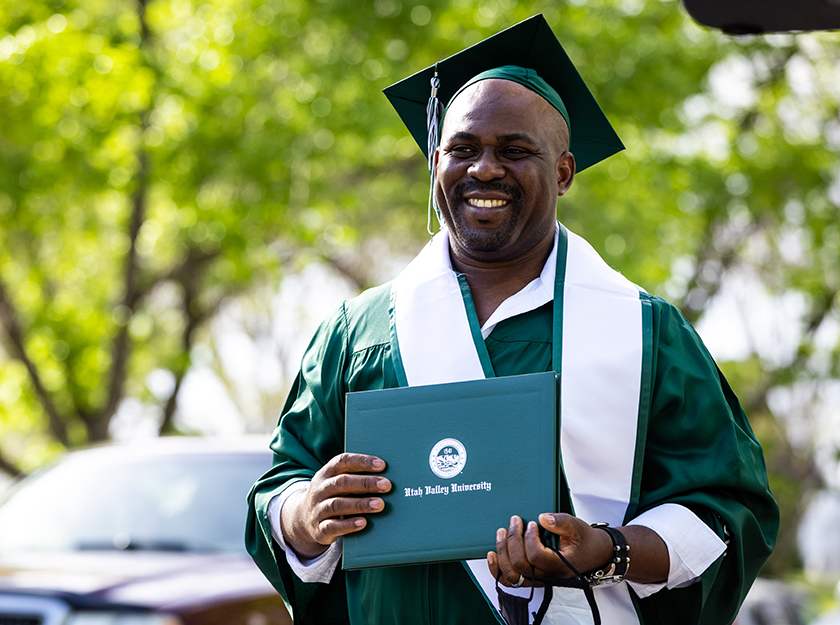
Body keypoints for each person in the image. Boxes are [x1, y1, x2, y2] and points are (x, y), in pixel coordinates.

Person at [245, 15, 778, 625]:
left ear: (564, 172)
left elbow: (727, 508)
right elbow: (279, 485)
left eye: (515, 150)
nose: (485, 169)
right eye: (463, 149)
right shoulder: (359, 330)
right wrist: (307, 513)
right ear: (435, 163)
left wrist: (608, 551)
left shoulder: (646, 334)